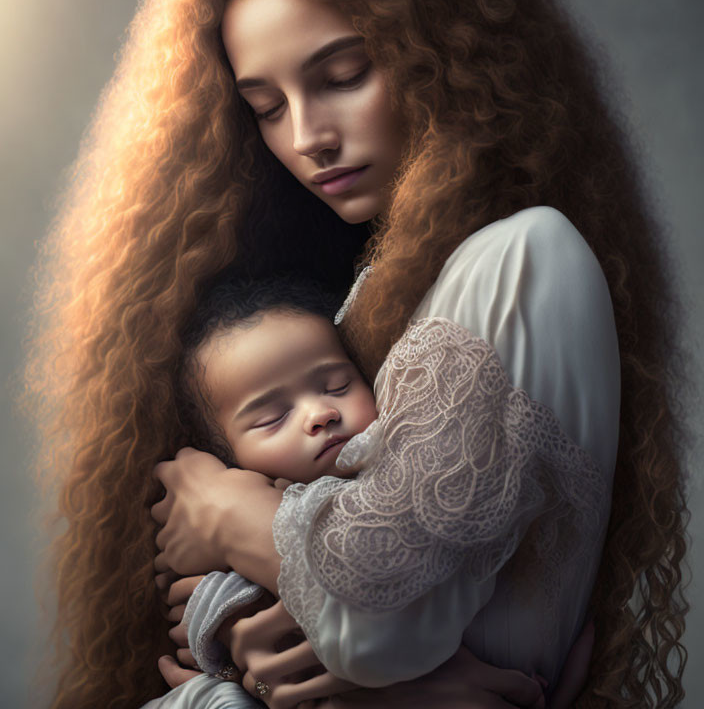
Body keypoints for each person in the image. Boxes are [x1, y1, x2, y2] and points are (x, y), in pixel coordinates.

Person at [27, 0, 689, 709]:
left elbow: (381, 616)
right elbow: (368, 618)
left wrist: (226, 512)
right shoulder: (366, 301)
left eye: (341, 76)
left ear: (443, 51)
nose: (307, 137)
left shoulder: (525, 257)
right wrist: (238, 636)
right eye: (266, 107)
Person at [143, 273, 548, 709]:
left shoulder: (401, 481)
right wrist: (227, 644)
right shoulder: (223, 542)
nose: (320, 413)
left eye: (337, 385)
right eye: (272, 417)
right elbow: (208, 627)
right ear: (229, 458)